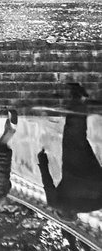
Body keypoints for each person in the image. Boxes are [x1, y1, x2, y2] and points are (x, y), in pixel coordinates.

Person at [37, 83, 102, 216]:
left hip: (96, 180)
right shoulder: (56, 204)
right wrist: (42, 160)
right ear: (61, 213)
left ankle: (81, 102)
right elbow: (47, 182)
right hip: (75, 173)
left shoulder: (91, 207)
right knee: (74, 137)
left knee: (82, 143)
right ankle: (78, 98)